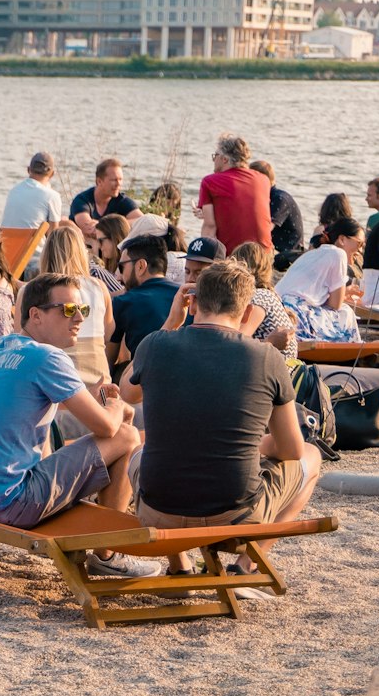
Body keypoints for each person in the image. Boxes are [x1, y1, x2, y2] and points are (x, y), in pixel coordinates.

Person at [0, 272, 158, 578]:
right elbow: (107, 427)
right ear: (35, 315)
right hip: (6, 502)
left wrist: (91, 400)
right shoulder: (47, 357)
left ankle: (106, 545)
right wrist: (117, 406)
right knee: (127, 434)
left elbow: (25, 397)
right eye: (67, 310)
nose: (78, 318)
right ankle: (107, 555)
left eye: (83, 310)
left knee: (112, 432)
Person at [120, 260, 320, 544]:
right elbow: (290, 449)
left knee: (139, 451)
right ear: (247, 311)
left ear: (192, 304)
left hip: (158, 513)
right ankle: (248, 565)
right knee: (311, 456)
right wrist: (249, 446)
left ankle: (179, 566)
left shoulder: (155, 345)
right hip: (236, 516)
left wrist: (170, 324)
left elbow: (127, 392)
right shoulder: (266, 358)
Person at [28, 224, 114, 402]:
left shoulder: (34, 290)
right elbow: (108, 333)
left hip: (59, 392)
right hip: (101, 389)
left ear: (47, 253)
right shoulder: (99, 287)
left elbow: (24, 340)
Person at [276, 218, 364, 343]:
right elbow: (335, 305)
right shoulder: (339, 254)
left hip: (280, 308)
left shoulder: (313, 253)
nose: (361, 250)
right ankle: (349, 346)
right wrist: (345, 293)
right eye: (359, 244)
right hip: (297, 315)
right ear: (342, 239)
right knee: (346, 311)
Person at [109, 227, 180, 373]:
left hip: (147, 381)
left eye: (122, 267)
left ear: (141, 266)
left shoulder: (124, 302)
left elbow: (109, 360)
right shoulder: (185, 295)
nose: (120, 275)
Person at [197, 134, 272, 251]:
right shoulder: (263, 180)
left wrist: (202, 262)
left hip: (232, 257)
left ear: (224, 159)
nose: (214, 159)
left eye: (215, 155)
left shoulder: (210, 181)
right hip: (264, 256)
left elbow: (210, 227)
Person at [69, 159, 139, 238]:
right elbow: (88, 229)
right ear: (99, 181)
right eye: (114, 180)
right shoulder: (82, 200)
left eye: (120, 179)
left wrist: (114, 224)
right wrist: (119, 227)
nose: (118, 184)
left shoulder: (121, 200)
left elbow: (143, 221)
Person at [252, 160, 304, 259]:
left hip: (289, 254)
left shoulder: (279, 199)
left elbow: (266, 229)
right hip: (279, 251)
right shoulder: (266, 197)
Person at [1, 151, 65, 230]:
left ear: (28, 170)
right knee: (67, 224)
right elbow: (53, 235)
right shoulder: (52, 196)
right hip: (34, 242)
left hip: (7, 241)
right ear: (52, 174)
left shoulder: (13, 191)